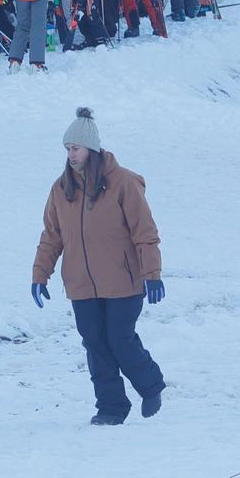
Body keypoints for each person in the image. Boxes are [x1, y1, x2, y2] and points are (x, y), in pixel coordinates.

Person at [30, 107, 166, 426]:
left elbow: (144, 231)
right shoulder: (61, 189)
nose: (71, 155)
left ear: (90, 148)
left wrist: (152, 273)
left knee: (119, 339)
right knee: (94, 343)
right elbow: (52, 236)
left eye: (75, 148)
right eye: (67, 149)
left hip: (123, 281)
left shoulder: (122, 183)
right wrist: (40, 274)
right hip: (81, 283)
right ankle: (111, 407)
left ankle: (150, 385)